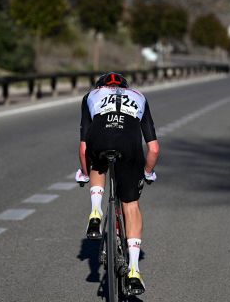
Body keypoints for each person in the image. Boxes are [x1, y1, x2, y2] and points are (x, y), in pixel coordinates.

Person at [75, 72, 160, 295]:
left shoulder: (91, 96)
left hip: (100, 139)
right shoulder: (139, 96)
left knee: (97, 164)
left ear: (100, 86)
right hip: (130, 146)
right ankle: (133, 271)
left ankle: (95, 212)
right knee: (130, 204)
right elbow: (154, 149)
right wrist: (148, 173)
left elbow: (84, 149)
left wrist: (84, 174)